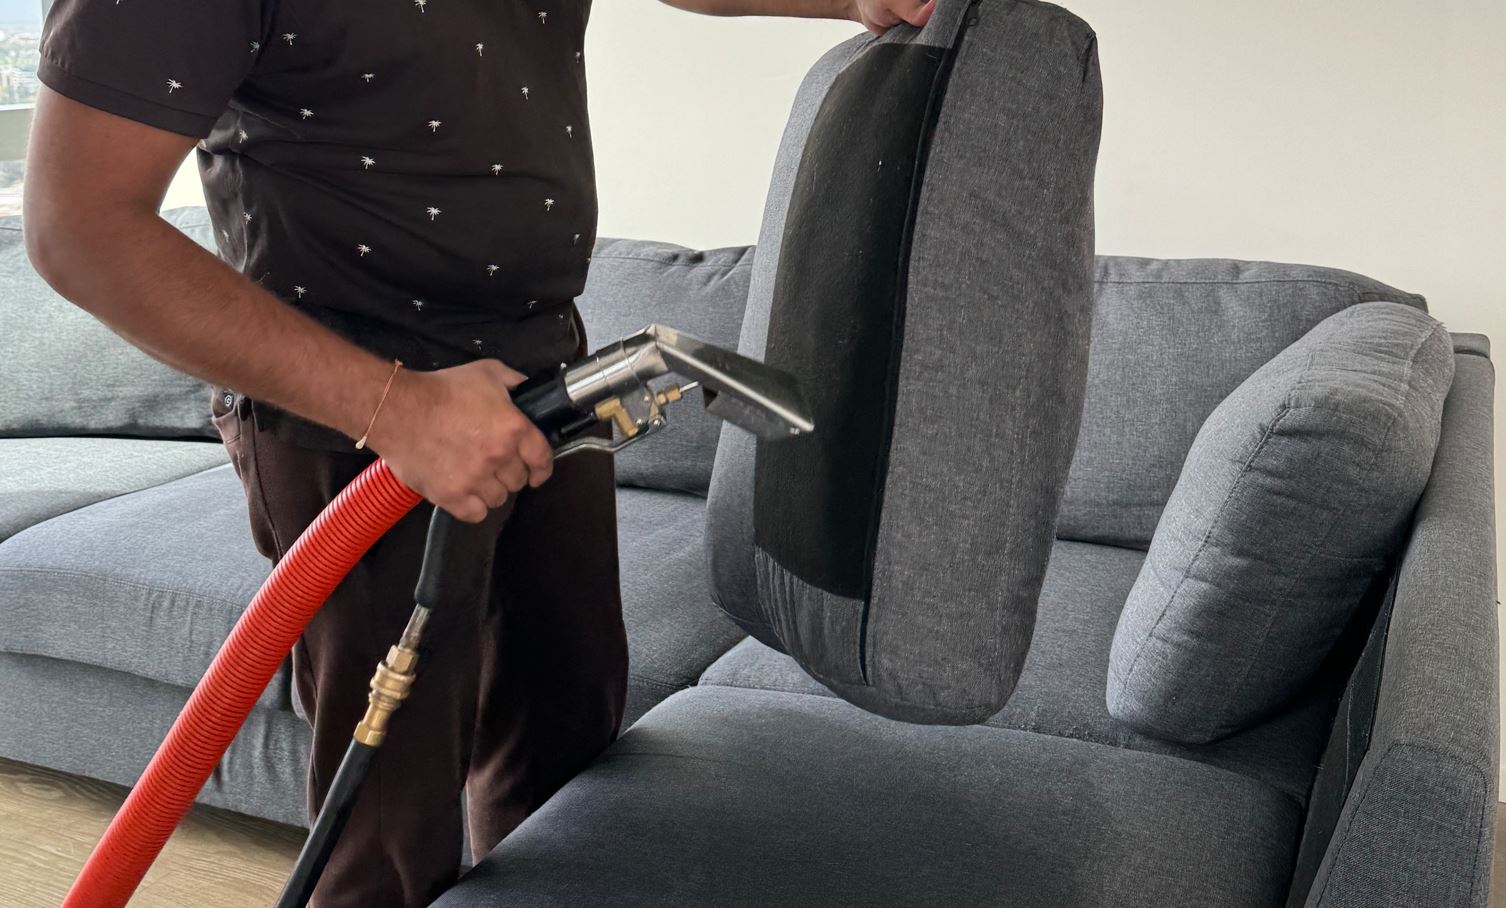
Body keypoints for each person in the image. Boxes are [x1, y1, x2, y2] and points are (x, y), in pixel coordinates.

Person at [24, 0, 933, 905]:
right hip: (354, 425)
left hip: (545, 373)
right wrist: (397, 409)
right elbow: (82, 228)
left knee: (567, 756)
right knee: (388, 828)